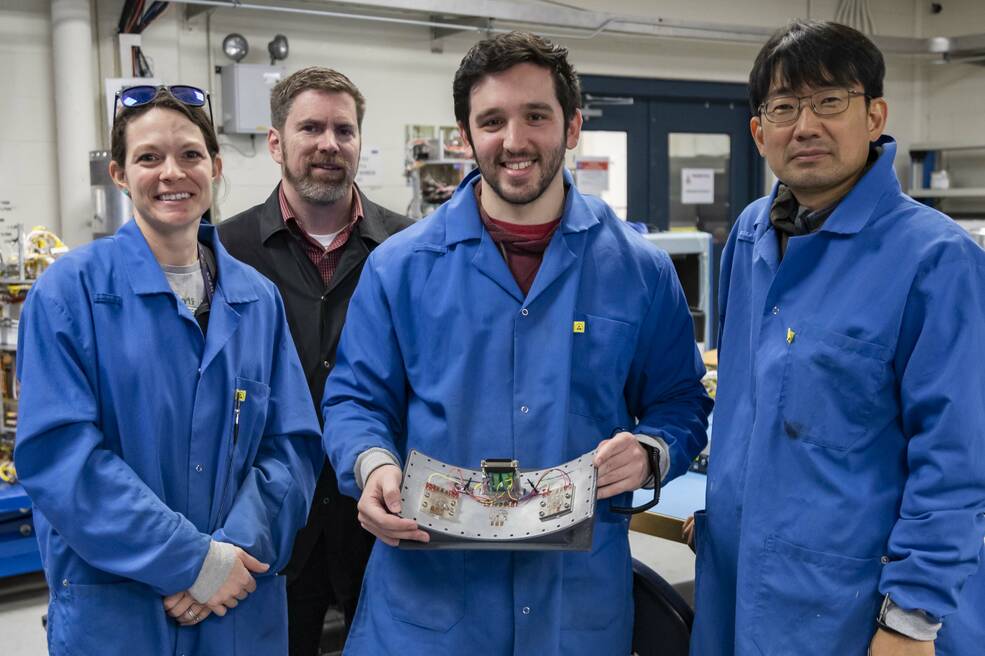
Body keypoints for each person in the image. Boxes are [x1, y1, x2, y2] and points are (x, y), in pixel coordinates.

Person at [322, 31, 712, 655]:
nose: (515, 140)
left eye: (536, 116)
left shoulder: (638, 269)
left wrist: (650, 449)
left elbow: (681, 401)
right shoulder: (401, 268)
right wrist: (373, 466)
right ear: (465, 135)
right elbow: (354, 402)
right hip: (428, 608)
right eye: (492, 120)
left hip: (575, 608)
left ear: (573, 125)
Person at [691, 20, 985, 656]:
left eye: (830, 102)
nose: (806, 125)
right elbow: (749, 400)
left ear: (875, 115)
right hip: (740, 584)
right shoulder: (749, 235)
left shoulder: (938, 261)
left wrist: (911, 619)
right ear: (758, 131)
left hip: (856, 605)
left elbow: (957, 461)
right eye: (784, 107)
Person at [14, 86, 322, 655]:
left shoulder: (258, 300)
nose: (171, 173)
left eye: (190, 154)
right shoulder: (68, 293)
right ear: (120, 174)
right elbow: (62, 457)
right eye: (148, 157)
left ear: (216, 166)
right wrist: (190, 560)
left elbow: (293, 446)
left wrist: (228, 557)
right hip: (120, 610)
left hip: (237, 599)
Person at [218, 66, 412, 654]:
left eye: (343, 130)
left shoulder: (410, 249)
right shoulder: (226, 250)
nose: (329, 144)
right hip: (268, 520)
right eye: (310, 128)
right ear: (275, 141)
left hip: (382, 513)